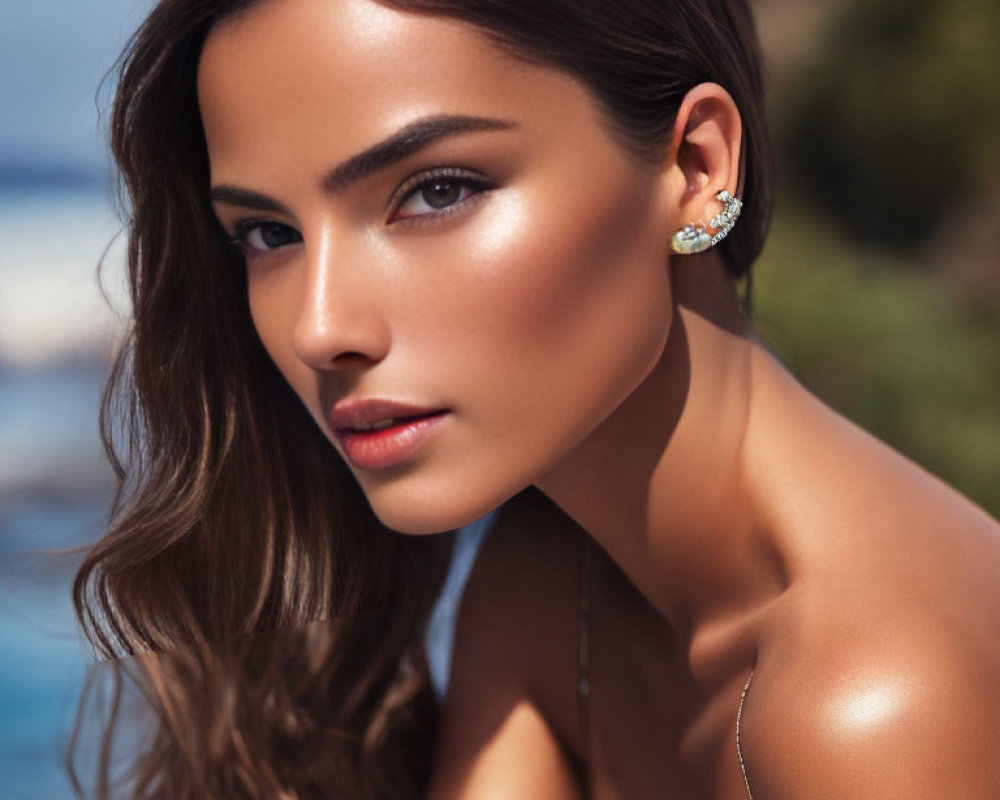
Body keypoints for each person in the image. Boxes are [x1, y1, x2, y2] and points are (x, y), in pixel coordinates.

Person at [73, 0, 1000, 798]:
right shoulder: (556, 578)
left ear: (695, 170)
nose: (318, 328)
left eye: (434, 191)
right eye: (269, 232)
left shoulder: (880, 706)